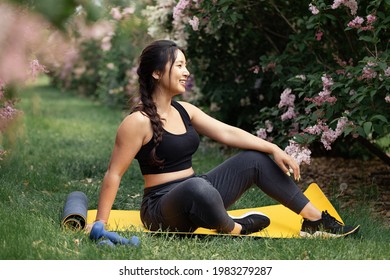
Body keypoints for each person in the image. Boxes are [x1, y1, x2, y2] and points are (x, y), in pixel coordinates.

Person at [89, 39, 359, 237]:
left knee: (254, 159)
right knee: (197, 187)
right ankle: (235, 227)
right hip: (161, 208)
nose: (186, 72)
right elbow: (114, 174)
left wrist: (273, 147)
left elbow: (227, 132)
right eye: (180, 65)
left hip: (199, 189)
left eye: (186, 66)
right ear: (157, 73)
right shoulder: (138, 121)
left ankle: (313, 221)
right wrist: (99, 224)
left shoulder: (185, 111)